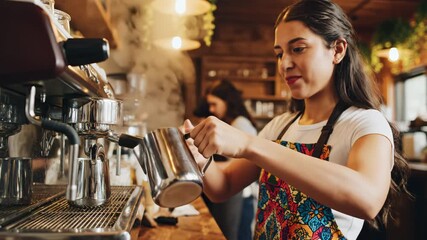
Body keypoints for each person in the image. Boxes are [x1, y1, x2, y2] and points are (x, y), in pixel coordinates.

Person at [183, 0, 410, 239]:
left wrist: (250, 145)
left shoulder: (365, 123)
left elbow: (368, 199)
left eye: (298, 49)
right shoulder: (280, 127)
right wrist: (198, 159)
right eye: (279, 54)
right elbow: (224, 186)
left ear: (338, 50)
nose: (285, 64)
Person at [194, 79, 258, 240]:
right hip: (235, 195)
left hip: (241, 196)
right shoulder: (231, 123)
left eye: (214, 104)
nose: (211, 109)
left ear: (227, 102)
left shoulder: (240, 124)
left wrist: (207, 165)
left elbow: (240, 164)